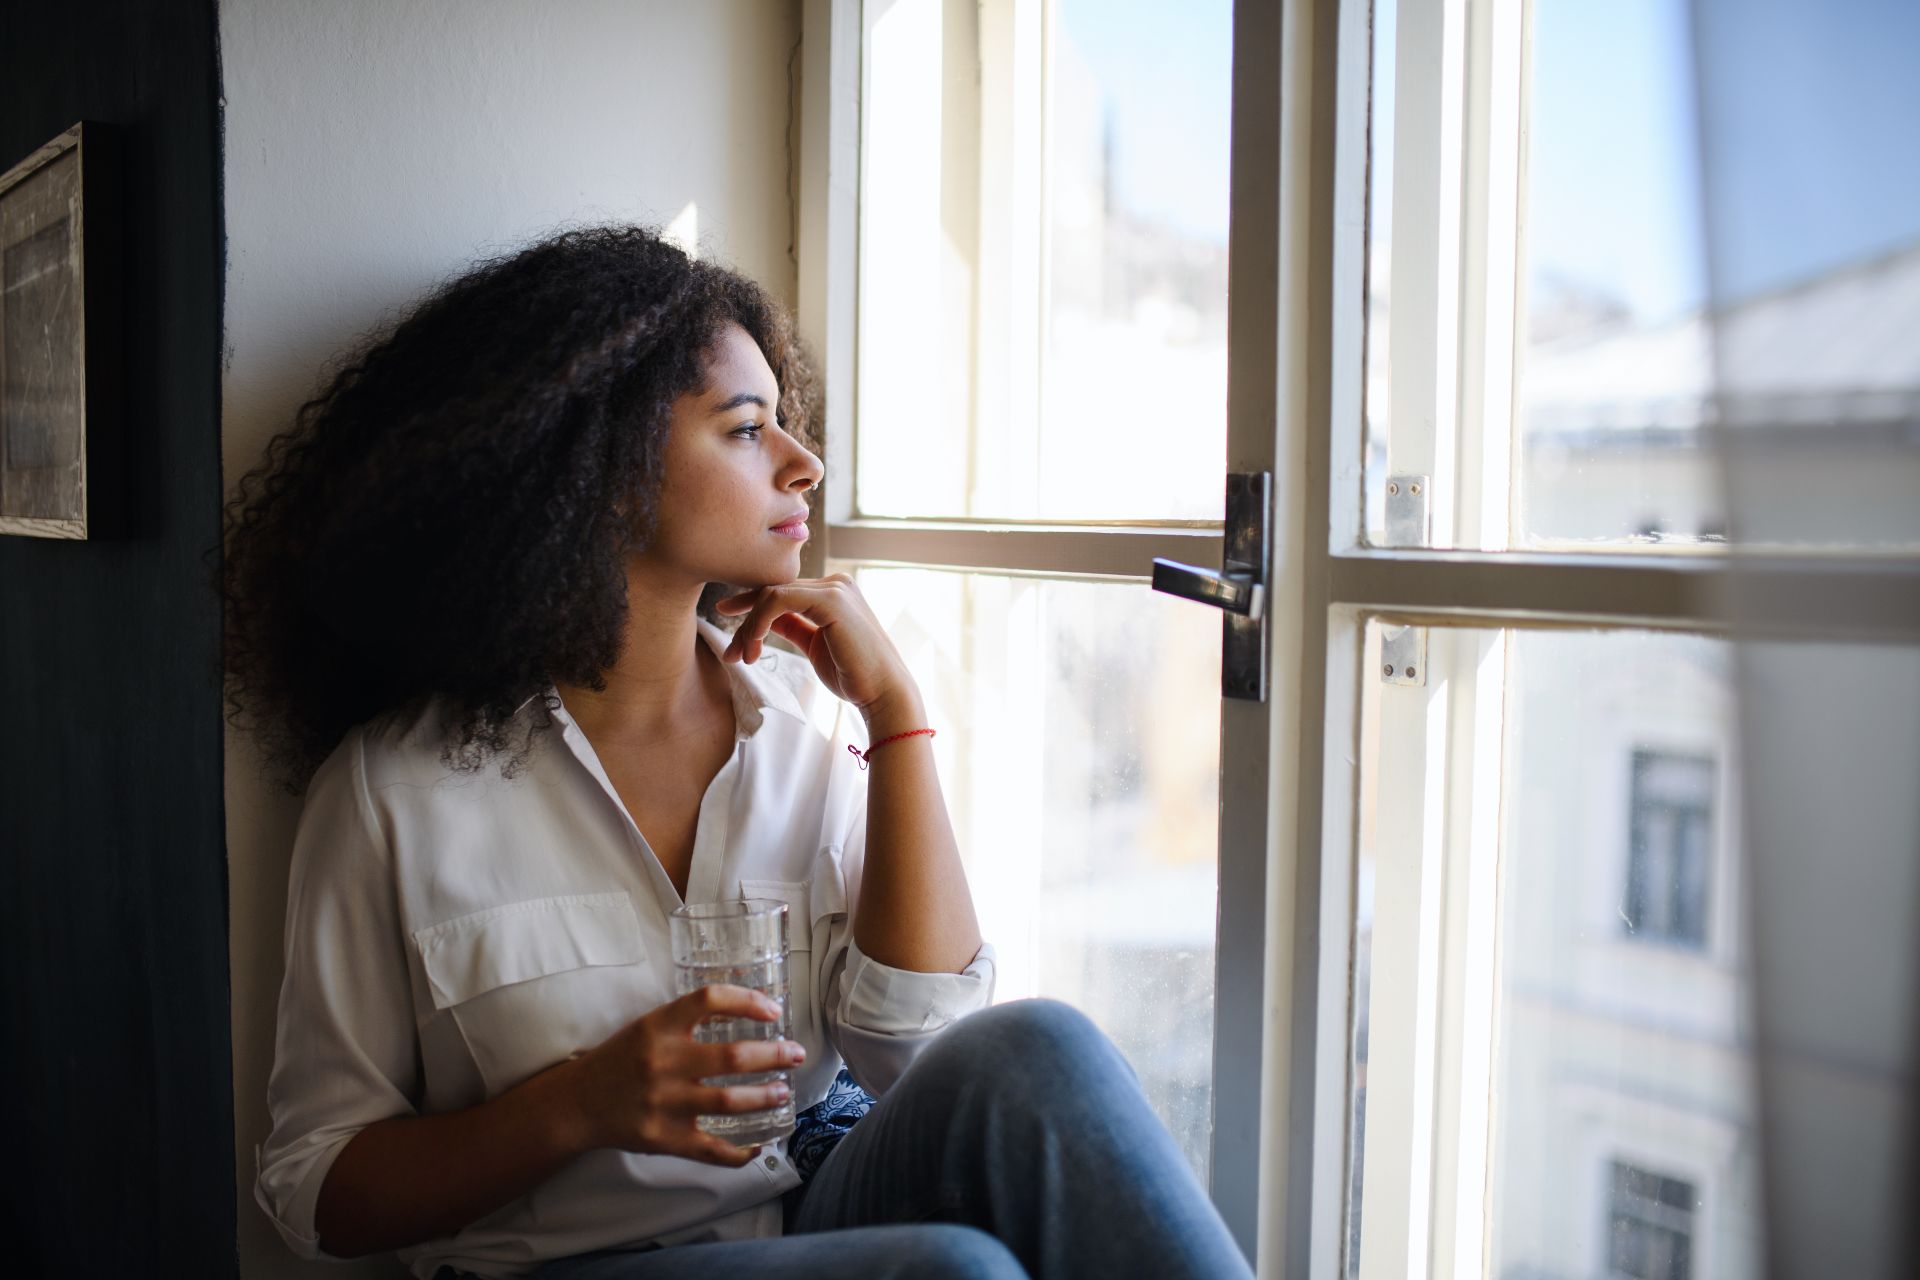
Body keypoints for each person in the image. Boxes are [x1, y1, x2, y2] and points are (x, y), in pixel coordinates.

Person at [224, 225, 1253, 1280]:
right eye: (748, 429)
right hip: (562, 1265)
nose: (805, 464)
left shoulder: (803, 734)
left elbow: (915, 1055)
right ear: (607, 469)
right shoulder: (394, 791)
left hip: (807, 1218)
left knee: (1041, 1048)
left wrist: (896, 716)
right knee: (951, 1271)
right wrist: (578, 1103)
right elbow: (317, 1188)